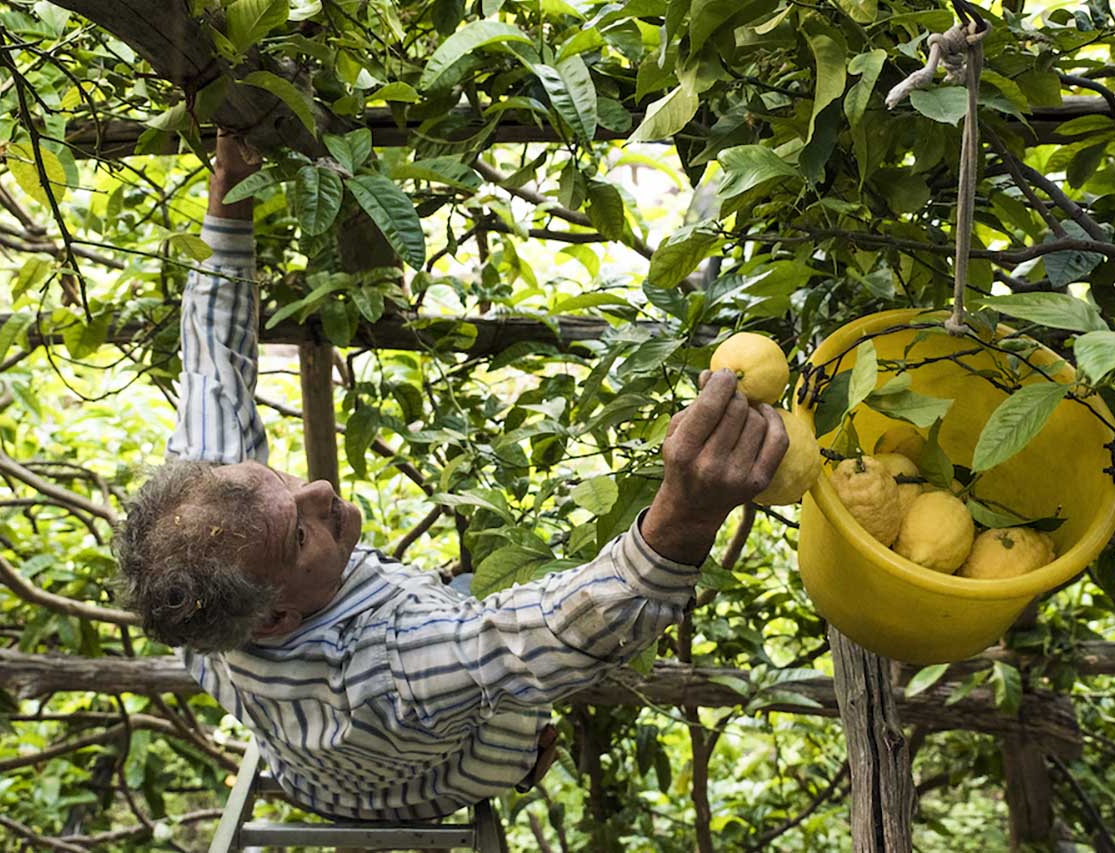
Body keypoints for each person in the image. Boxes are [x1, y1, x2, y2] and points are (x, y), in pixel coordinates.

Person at [112, 132, 789, 822]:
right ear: (277, 617)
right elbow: (554, 634)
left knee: (462, 603)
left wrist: (229, 192)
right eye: (299, 532)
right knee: (493, 649)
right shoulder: (388, 664)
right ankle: (522, 754)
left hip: (309, 769)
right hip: (433, 775)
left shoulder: (206, 546)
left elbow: (212, 366)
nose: (319, 492)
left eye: (282, 480)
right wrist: (683, 515)